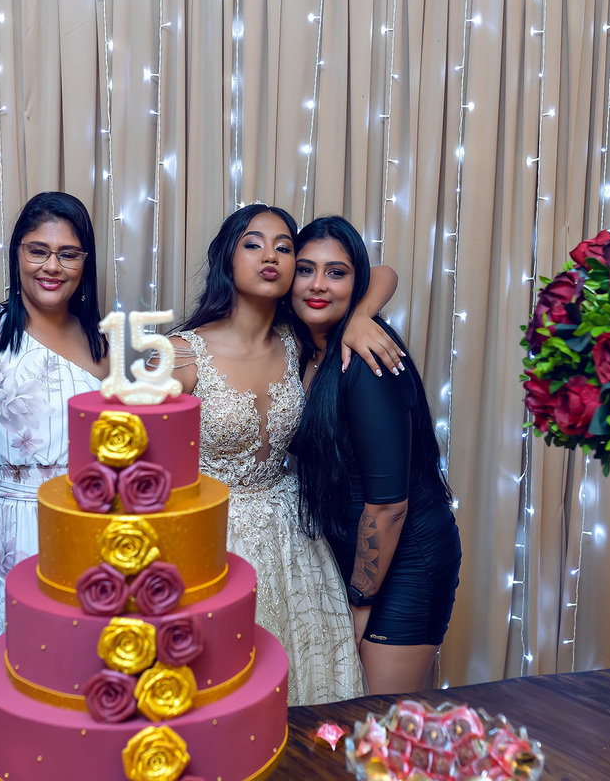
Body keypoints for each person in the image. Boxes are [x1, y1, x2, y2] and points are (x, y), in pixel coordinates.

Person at [167, 203, 401, 705]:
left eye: (284, 246)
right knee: (222, 693)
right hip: (213, 538)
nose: (270, 256)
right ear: (227, 259)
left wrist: (361, 315)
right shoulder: (180, 355)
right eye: (253, 244)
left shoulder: (300, 341)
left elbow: (381, 272)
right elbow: (141, 469)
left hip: (296, 538)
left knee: (306, 691)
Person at [0, 191, 109, 738]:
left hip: (79, 539)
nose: (52, 266)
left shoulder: (105, 347)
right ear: (16, 255)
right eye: (38, 250)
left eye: (68, 253)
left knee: (69, 693)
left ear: (85, 263)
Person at [290, 215, 461, 695]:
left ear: (355, 282)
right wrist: (360, 311)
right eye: (305, 269)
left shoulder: (366, 362)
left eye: (336, 273)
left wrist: (358, 603)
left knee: (379, 717)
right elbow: (385, 273)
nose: (318, 284)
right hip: (350, 552)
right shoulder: (306, 346)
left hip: (407, 558)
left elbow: (389, 507)